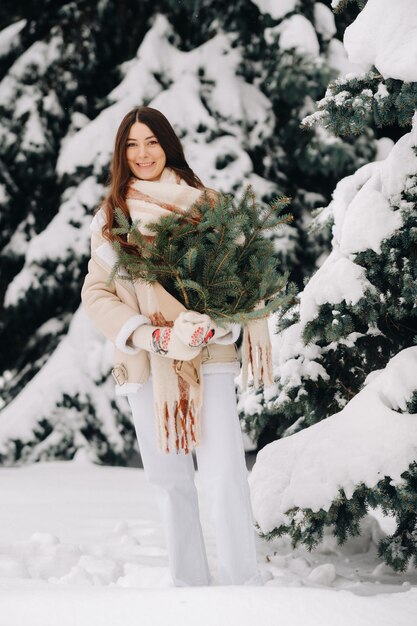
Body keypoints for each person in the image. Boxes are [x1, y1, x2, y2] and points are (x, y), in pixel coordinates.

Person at [81, 105, 263, 587]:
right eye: (131, 145)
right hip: (148, 364)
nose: (143, 154)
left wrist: (212, 325)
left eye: (152, 142)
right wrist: (151, 333)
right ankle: (190, 589)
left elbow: (243, 283)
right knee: (169, 479)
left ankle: (245, 588)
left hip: (211, 359)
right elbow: (95, 293)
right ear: (122, 154)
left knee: (224, 473)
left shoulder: (208, 206)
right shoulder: (110, 220)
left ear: (168, 145)